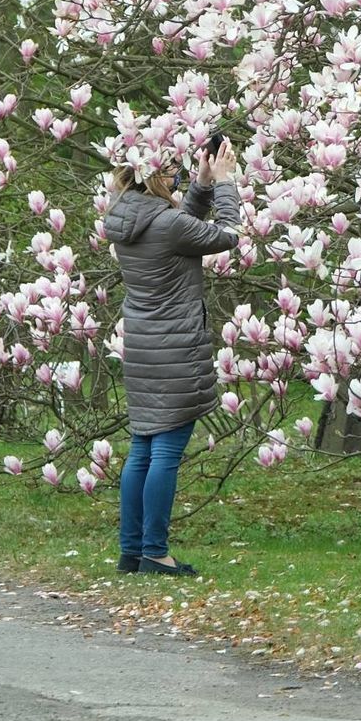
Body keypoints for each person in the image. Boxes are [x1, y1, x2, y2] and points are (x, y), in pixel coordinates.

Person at [104, 132, 240, 577]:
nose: (175, 176)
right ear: (155, 177)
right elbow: (224, 236)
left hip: (144, 348)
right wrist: (224, 183)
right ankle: (156, 551)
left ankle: (132, 550)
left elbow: (182, 231)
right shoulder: (167, 223)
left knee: (142, 448)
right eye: (170, 172)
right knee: (165, 452)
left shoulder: (126, 220)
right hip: (177, 348)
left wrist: (200, 186)